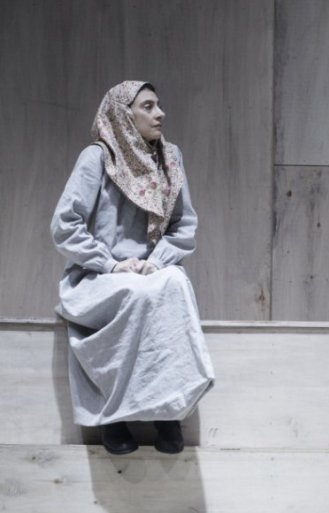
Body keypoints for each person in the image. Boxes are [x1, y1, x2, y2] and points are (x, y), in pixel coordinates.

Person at [51, 81, 215, 455]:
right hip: (99, 274)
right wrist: (110, 263)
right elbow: (65, 225)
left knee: (174, 284)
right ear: (124, 115)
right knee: (136, 294)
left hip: (152, 270)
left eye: (159, 105)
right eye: (148, 106)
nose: (160, 114)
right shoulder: (97, 157)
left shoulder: (170, 158)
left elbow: (183, 225)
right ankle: (114, 416)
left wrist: (156, 262)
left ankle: (169, 412)